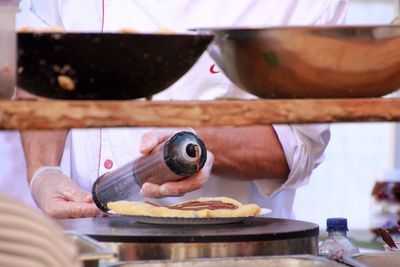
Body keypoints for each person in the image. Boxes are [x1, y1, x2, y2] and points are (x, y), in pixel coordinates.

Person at [15, 0, 348, 219]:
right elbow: (41, 74)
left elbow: (298, 143)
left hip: (222, 250)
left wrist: (202, 143)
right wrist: (43, 171)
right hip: (82, 240)